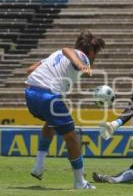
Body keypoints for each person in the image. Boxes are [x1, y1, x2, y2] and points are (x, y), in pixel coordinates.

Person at [25, 30, 105, 189]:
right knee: (73, 138)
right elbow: (66, 50)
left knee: (51, 122)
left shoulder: (54, 55)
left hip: (30, 93)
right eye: (95, 54)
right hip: (48, 96)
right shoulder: (82, 57)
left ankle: (38, 166)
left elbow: (30, 69)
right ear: (90, 51)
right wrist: (81, 64)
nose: (95, 58)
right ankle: (79, 182)